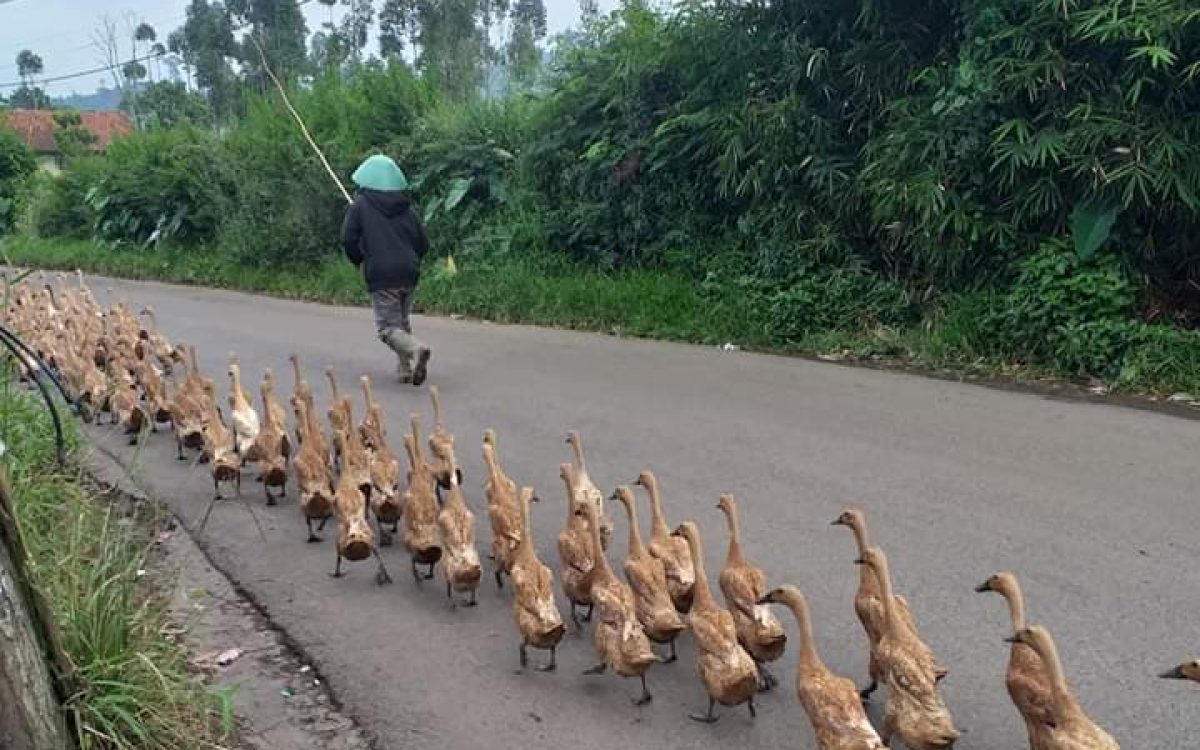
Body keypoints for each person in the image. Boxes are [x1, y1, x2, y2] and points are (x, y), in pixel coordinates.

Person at [341, 154, 432, 386]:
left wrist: (359, 259)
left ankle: (415, 349)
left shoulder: (360, 206)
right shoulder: (407, 210)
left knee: (388, 329)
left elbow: (348, 239)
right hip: (409, 272)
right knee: (401, 322)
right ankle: (405, 369)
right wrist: (411, 261)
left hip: (382, 274)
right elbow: (423, 243)